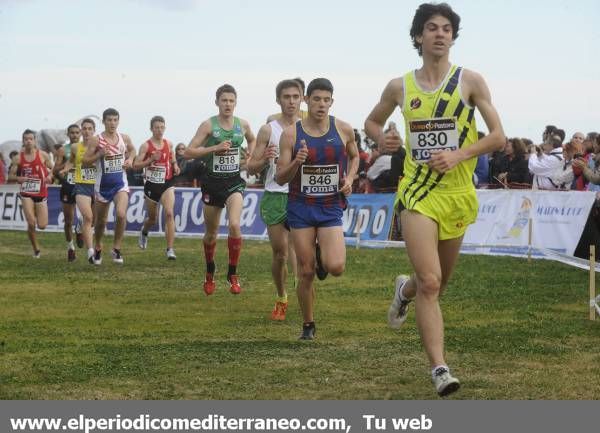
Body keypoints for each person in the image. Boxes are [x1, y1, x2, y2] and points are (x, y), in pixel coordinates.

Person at [364, 3, 505, 396]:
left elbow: (498, 137)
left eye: (447, 29)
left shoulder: (470, 81)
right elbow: (372, 122)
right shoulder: (400, 86)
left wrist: (459, 155)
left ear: (453, 38)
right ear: (418, 37)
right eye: (432, 28)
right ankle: (440, 369)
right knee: (430, 281)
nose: (440, 34)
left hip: (457, 193)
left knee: (436, 285)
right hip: (417, 192)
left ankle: (402, 291)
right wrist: (383, 139)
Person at [276, 77, 359, 340]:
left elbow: (355, 156)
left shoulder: (344, 129)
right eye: (316, 99)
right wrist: (297, 162)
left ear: (332, 102)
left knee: (335, 267)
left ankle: (324, 252)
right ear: (306, 101)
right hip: (301, 206)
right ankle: (308, 324)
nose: (321, 105)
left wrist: (350, 178)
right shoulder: (291, 134)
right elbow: (280, 177)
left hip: (330, 205)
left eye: (326, 100)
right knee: (306, 271)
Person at [184, 84, 256, 295]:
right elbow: (188, 152)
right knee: (211, 234)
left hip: (233, 181)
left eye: (231, 101)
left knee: (234, 224)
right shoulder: (208, 125)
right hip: (212, 182)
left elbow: (251, 139)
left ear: (236, 103)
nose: (228, 104)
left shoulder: (242, 124)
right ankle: (210, 271)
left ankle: (232, 274)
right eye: (224, 100)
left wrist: (249, 156)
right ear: (217, 102)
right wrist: (214, 148)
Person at [247, 79, 303, 321]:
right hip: (275, 195)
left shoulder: (309, 127)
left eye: (295, 96)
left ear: (302, 99)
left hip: (301, 195)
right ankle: (281, 297)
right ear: (278, 100)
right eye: (286, 97)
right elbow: (251, 167)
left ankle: (304, 292)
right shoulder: (268, 130)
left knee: (303, 253)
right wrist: (264, 159)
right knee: (280, 253)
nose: (291, 101)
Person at [83, 108, 136, 265]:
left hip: (120, 183)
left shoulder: (124, 138)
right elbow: (85, 161)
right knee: (101, 222)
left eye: (115, 120)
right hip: (102, 185)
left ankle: (116, 248)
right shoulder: (96, 140)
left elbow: (133, 150)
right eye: (109, 120)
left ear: (118, 121)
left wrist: (131, 159)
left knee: (121, 214)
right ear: (104, 121)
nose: (112, 123)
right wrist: (99, 155)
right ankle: (98, 246)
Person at [134, 116, 180, 260]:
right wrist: (150, 160)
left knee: (169, 213)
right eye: (156, 127)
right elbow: (136, 166)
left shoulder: (169, 144)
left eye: (162, 127)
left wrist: (175, 165)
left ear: (165, 128)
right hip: (151, 185)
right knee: (152, 219)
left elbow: (172, 157)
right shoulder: (146, 146)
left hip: (167, 183)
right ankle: (144, 231)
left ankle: (170, 249)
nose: (159, 130)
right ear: (151, 129)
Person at [7, 129, 53, 257]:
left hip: (41, 192)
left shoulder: (43, 155)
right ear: (23, 141)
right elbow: (10, 177)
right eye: (26, 139)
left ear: (34, 141)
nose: (28, 141)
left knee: (42, 225)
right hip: (26, 192)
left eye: (30, 139)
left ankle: (33, 233)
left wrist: (50, 176)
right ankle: (36, 249)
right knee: (31, 222)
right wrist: (18, 178)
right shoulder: (18, 158)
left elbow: (52, 169)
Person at [63, 118, 98, 264]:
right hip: (81, 185)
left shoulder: (99, 145)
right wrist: (66, 168)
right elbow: (71, 159)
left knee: (94, 221)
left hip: (97, 186)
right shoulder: (76, 147)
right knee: (88, 217)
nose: (87, 131)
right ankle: (91, 252)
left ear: (94, 131)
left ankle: (80, 227)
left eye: (90, 129)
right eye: (84, 128)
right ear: (81, 131)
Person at [53, 124, 81, 261]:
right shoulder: (63, 150)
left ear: (80, 134)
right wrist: (67, 166)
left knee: (89, 217)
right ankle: (70, 248)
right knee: (68, 221)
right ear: (68, 134)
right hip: (68, 186)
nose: (75, 135)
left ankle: (80, 229)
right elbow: (55, 170)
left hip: (84, 185)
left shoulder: (86, 148)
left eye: (77, 132)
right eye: (72, 133)